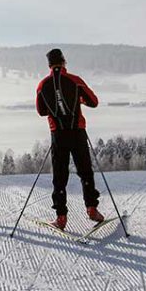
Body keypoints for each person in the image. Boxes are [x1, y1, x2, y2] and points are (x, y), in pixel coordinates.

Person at [35, 49, 105, 230]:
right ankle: (91, 209)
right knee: (85, 171)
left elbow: (41, 111)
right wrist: (79, 101)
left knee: (59, 176)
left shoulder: (42, 85)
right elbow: (94, 102)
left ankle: (61, 218)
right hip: (77, 131)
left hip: (58, 134)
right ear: (64, 62)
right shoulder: (75, 80)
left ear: (49, 65)